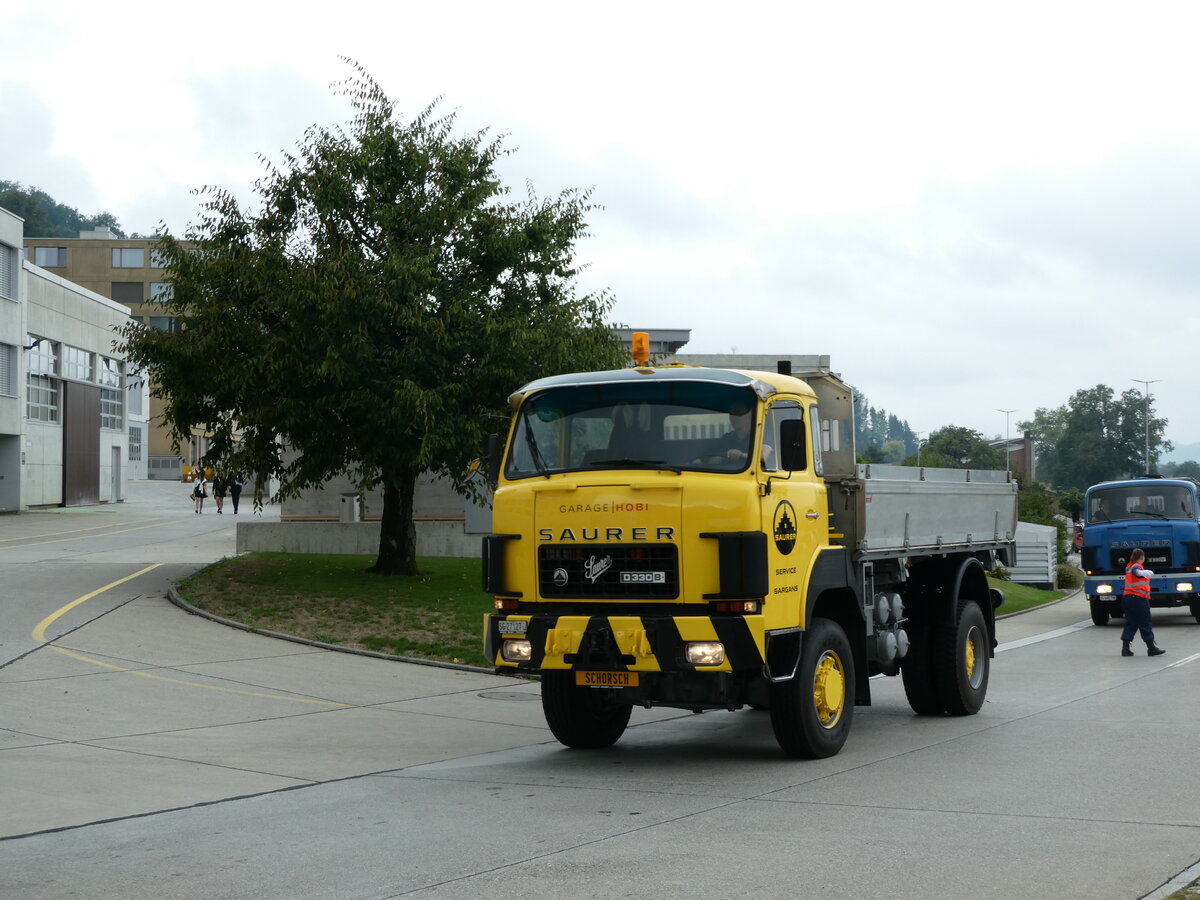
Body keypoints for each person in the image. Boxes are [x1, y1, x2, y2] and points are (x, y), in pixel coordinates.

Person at [694, 404, 773, 468]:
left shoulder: (763, 433)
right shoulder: (727, 438)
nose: (734, 417)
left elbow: (763, 456)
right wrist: (701, 465)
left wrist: (741, 454)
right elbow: (715, 461)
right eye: (731, 413)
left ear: (751, 414)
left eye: (739, 412)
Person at [1121, 548, 1165, 657]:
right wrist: (1143, 572)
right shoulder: (1136, 566)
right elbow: (1137, 572)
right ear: (1142, 557)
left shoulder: (1129, 566)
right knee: (1145, 622)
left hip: (1128, 598)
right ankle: (1151, 648)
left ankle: (1125, 648)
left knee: (1131, 622)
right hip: (1138, 599)